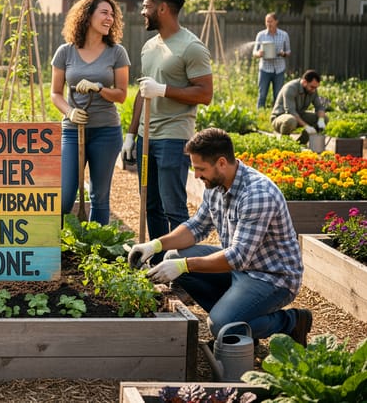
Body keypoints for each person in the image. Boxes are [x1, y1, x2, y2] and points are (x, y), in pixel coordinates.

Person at [127, 128, 312, 346]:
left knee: (220, 325)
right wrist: (155, 245)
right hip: (240, 270)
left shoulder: (257, 194)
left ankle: (291, 321)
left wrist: (184, 265)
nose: (196, 175)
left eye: (200, 169)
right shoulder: (215, 185)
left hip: (271, 277)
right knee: (171, 257)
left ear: (222, 163)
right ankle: (238, 319)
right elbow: (196, 227)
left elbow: (237, 258)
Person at [123, 0, 213, 263]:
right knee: (151, 204)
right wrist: (130, 134)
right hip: (146, 137)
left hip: (174, 138)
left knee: (173, 206)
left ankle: (181, 270)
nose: (142, 11)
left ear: (163, 9)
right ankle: (158, 263)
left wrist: (163, 90)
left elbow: (205, 94)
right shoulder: (150, 46)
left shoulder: (191, 47)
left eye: (147, 6)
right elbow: (142, 92)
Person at [50, 0, 129, 225]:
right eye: (104, 13)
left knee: (99, 197)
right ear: (87, 16)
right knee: (64, 197)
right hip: (72, 131)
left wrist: (100, 88)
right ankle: (56, 247)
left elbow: (122, 95)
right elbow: (55, 93)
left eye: (112, 14)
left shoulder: (117, 52)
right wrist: (69, 112)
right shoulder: (65, 52)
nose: (110, 18)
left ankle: (95, 252)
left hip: (106, 131)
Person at [270, 69, 327, 144]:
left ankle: (300, 144)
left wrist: (321, 120)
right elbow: (291, 112)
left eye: (316, 88)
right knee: (291, 120)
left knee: (325, 118)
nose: (314, 90)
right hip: (281, 118)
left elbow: (319, 107)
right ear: (304, 82)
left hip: (299, 116)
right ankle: (284, 144)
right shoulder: (290, 88)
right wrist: (307, 127)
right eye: (312, 87)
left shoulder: (313, 90)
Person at [252, 13, 291, 109]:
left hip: (279, 70)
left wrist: (283, 54)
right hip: (265, 69)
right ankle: (260, 115)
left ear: (276, 22)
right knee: (262, 94)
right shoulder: (260, 35)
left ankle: (277, 114)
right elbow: (254, 52)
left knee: (278, 95)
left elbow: (289, 51)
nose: (268, 24)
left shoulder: (284, 35)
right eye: (267, 21)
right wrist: (259, 54)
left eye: (271, 21)